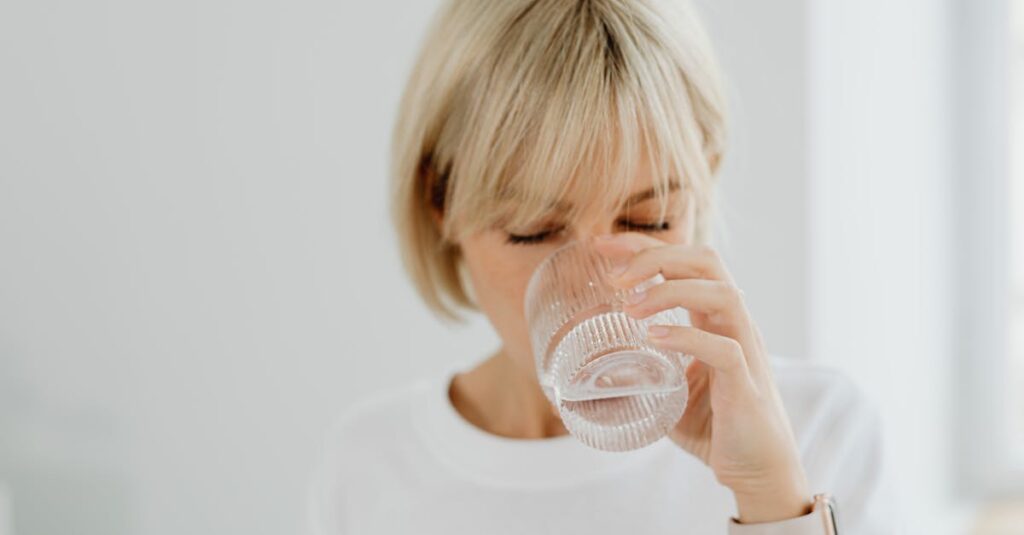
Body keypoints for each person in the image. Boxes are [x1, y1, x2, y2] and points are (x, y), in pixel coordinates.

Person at [307, 0, 900, 533]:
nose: (609, 282)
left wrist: (772, 502)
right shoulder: (373, 465)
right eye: (533, 229)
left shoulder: (817, 428)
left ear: (704, 177)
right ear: (441, 204)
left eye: (649, 220)